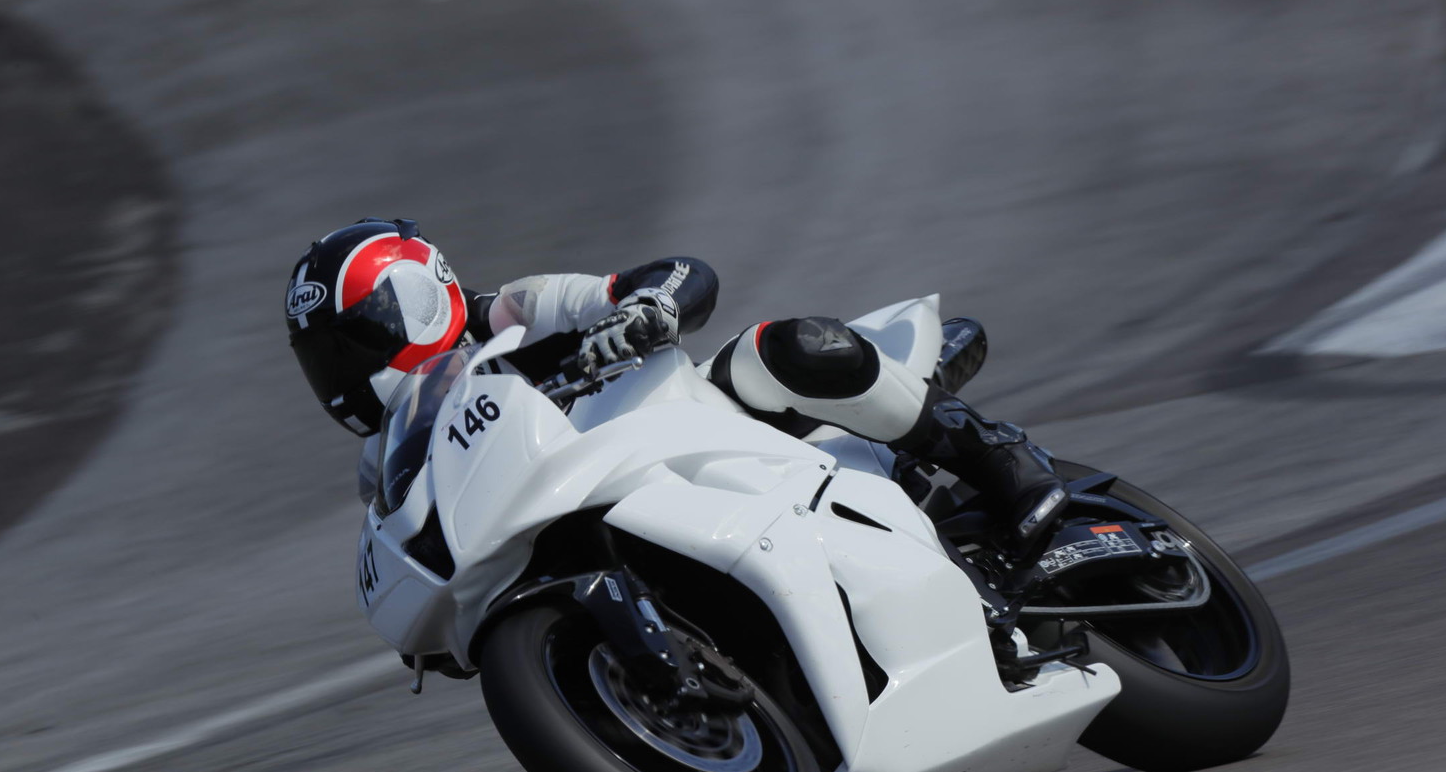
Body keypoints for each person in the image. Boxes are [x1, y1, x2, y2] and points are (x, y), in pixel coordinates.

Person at [285, 218, 1068, 553]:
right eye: (328, 357)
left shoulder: (514, 312)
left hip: (701, 434)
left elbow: (676, 273)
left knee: (778, 349)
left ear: (420, 299)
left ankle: (996, 454)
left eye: (359, 338)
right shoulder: (389, 465)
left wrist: (648, 311)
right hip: (601, 516)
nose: (347, 370)